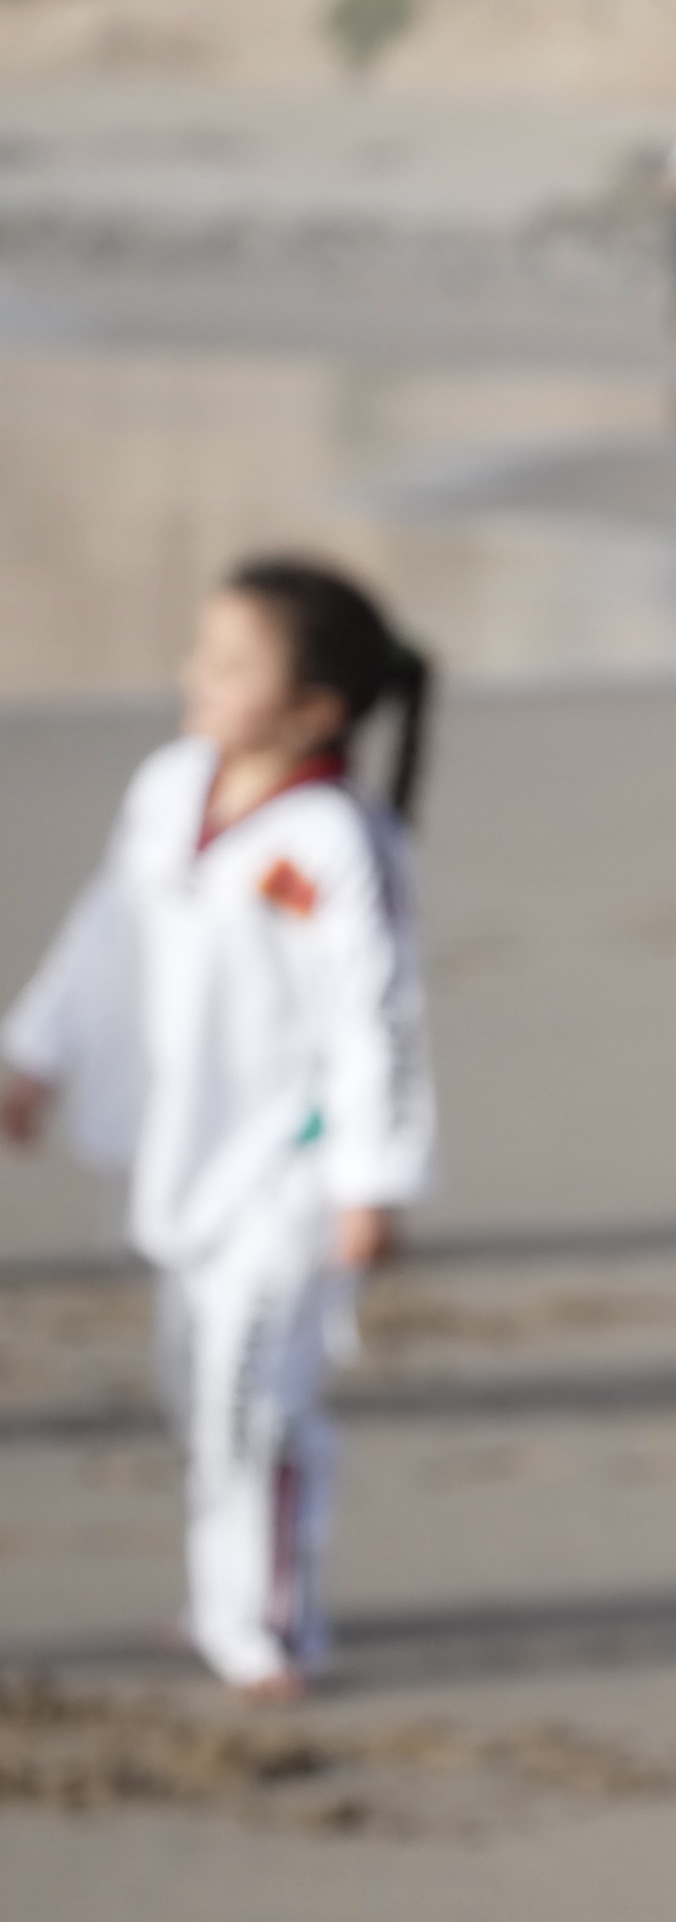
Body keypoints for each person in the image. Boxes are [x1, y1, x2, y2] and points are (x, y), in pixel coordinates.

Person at [2, 559, 439, 1701]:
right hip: (185, 1155)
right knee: (196, 1386)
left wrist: (373, 1178)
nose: (196, 677)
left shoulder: (335, 844)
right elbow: (107, 926)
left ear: (315, 709)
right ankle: (217, 1598)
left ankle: (271, 1625)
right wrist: (35, 1052)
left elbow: (376, 1015)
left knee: (254, 1400)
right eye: (203, 654)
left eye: (233, 665)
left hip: (289, 1174)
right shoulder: (169, 787)